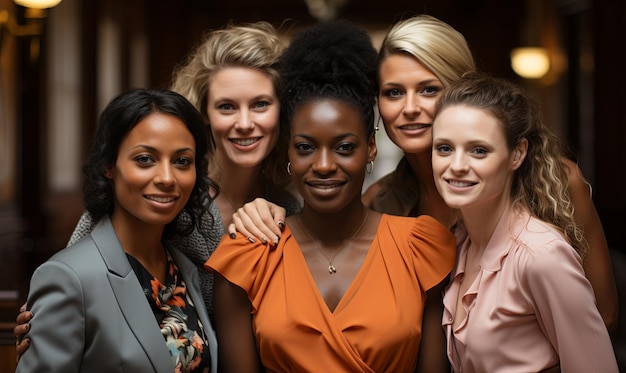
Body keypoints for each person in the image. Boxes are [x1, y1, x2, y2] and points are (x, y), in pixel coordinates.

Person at [14, 21, 302, 356]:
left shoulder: (291, 207)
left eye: (260, 104)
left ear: (283, 111)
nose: (244, 122)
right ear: (204, 113)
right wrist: (45, 320)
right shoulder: (169, 196)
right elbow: (78, 271)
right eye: (226, 106)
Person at [205, 20, 456, 372]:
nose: (323, 165)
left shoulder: (419, 247)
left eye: (344, 147)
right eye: (306, 147)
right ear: (288, 151)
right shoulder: (248, 255)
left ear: (370, 148)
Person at [364, 14, 619, 331]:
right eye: (394, 93)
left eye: (429, 90)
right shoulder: (378, 203)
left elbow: (602, 315)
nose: (410, 107)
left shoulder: (557, 181)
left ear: (462, 91)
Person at [16, 89, 218, 372]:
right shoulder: (68, 278)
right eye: (145, 159)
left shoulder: (187, 270)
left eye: (182, 161)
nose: (167, 178)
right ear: (109, 165)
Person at [432, 72, 618, 372]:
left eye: (479, 150)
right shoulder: (459, 243)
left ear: (517, 154)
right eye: (444, 148)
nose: (456, 166)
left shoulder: (542, 255)